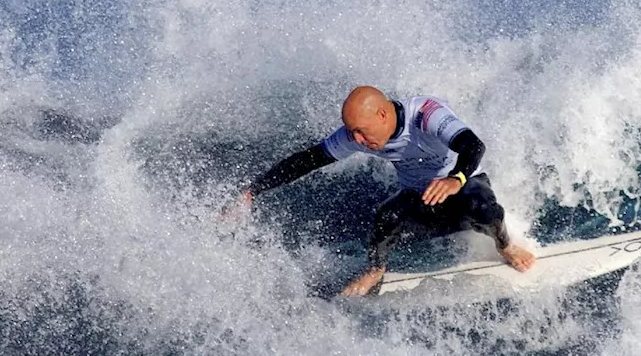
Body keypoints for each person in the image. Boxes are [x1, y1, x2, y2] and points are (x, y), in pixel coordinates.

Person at [227, 85, 536, 296]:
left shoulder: (426, 114)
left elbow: (473, 145)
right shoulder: (358, 133)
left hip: (464, 185)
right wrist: (253, 190)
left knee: (486, 211)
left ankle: (505, 246)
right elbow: (308, 160)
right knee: (385, 216)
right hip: (420, 196)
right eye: (352, 134)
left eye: (361, 132)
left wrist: (455, 179)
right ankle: (376, 269)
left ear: (383, 115)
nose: (357, 141)